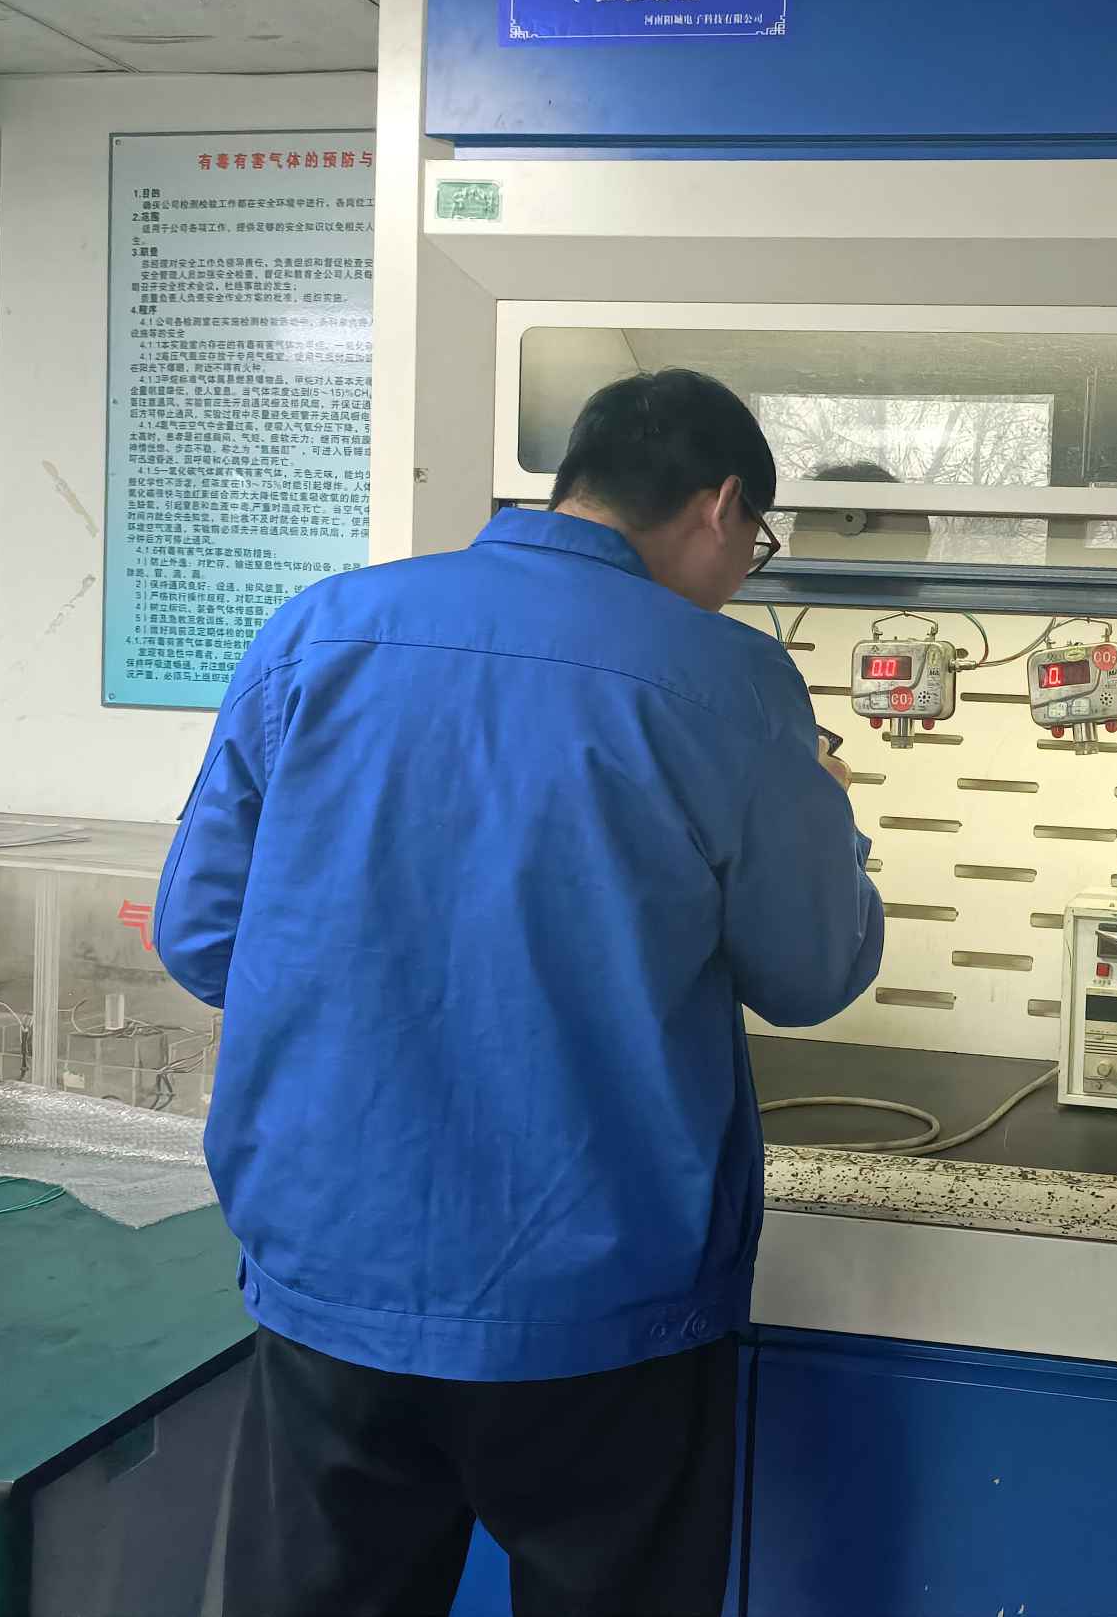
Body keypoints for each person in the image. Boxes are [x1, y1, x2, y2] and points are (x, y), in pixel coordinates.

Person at [157, 369, 883, 1617]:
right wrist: (827, 810)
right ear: (719, 506)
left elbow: (202, 935)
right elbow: (811, 974)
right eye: (753, 544)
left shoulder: (320, 631)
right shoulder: (731, 685)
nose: (739, 573)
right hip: (603, 1304)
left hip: (334, 1278)